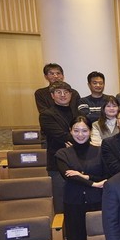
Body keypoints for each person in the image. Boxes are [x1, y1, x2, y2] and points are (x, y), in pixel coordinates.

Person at [56, 116, 105, 240]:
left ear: (90, 131)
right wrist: (93, 184)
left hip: (97, 201)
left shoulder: (100, 151)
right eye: (76, 130)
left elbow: (105, 175)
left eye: (84, 130)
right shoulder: (62, 153)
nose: (80, 134)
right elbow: (68, 176)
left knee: (99, 239)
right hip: (73, 202)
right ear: (70, 131)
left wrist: (84, 176)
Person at [39, 80, 79, 212]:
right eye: (58, 92)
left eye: (66, 92)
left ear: (71, 95)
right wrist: (79, 140)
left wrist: (76, 141)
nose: (63, 95)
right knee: (61, 201)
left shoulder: (78, 114)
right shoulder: (46, 115)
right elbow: (59, 135)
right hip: (58, 163)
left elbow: (85, 133)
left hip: (79, 162)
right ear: (52, 95)